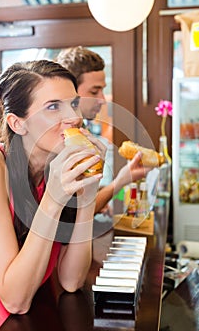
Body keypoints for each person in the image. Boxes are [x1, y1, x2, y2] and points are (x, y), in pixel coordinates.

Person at [0, 60, 106, 331]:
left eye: (74, 104)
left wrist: (88, 192)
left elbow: (71, 280)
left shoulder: (55, 169)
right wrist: (53, 199)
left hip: (29, 327)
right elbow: (15, 300)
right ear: (17, 123)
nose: (73, 118)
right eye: (53, 107)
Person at [56, 46, 150, 215]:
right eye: (94, 91)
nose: (102, 100)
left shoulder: (80, 132)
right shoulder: (59, 139)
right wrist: (120, 181)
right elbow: (75, 214)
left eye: (102, 90)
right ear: (71, 91)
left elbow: (82, 202)